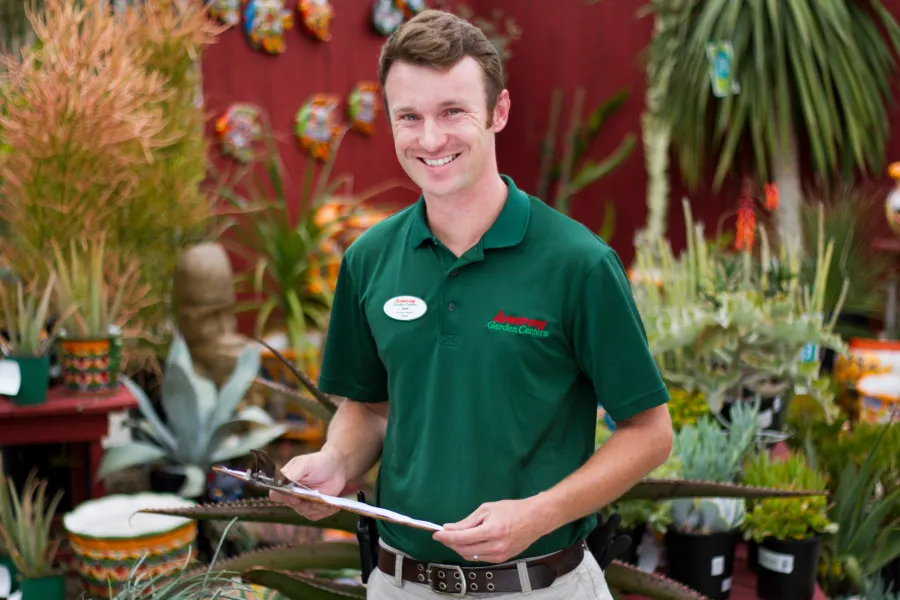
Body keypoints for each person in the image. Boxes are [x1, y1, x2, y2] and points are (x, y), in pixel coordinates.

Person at [270, 9, 673, 599]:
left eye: (452, 112)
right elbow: (372, 409)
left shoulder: (578, 263)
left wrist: (541, 511)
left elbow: (649, 433)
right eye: (409, 117)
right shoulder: (369, 260)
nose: (429, 139)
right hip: (399, 584)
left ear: (498, 111)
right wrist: (335, 461)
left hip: (543, 585)